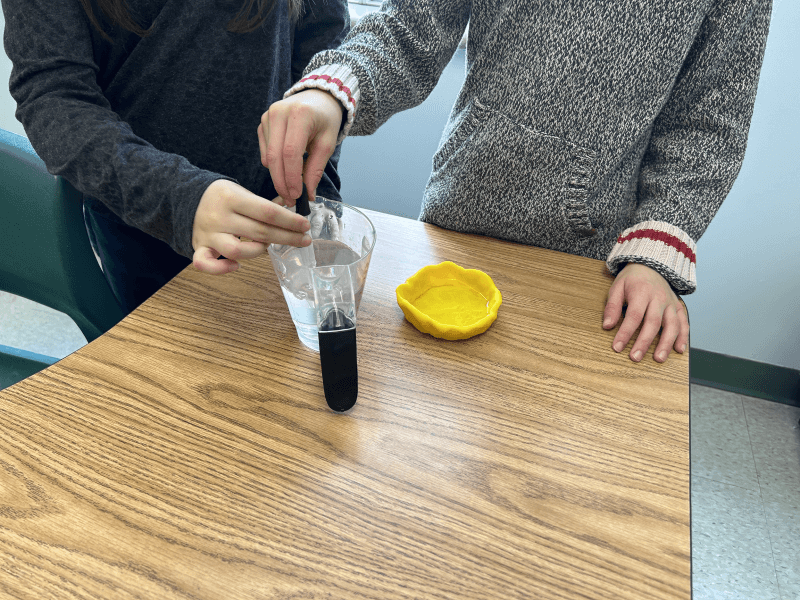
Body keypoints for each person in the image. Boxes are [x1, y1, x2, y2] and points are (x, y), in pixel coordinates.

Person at [258, 0, 772, 364]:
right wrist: (335, 87)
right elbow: (412, 23)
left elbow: (709, 117)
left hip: (593, 269)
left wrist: (656, 249)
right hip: (458, 222)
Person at [2, 0, 349, 314]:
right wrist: (179, 200)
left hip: (280, 215)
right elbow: (54, 97)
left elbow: (323, 40)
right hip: (140, 226)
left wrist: (316, 181)